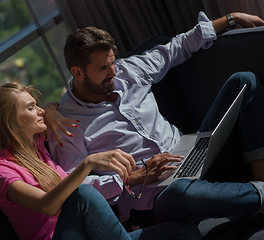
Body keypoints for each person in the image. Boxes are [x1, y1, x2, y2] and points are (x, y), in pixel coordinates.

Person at [44, 11, 264, 228]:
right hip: (152, 196)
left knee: (243, 81)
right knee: (178, 193)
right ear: (78, 73)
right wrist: (134, 177)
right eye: (103, 68)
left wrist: (230, 19)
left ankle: (260, 180)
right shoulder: (66, 123)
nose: (113, 71)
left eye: (113, 61)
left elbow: (176, 47)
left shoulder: (128, 71)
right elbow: (76, 183)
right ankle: (260, 194)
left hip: (189, 154)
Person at [0, 82, 206, 240]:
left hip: (89, 232)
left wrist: (51, 110)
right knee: (83, 194)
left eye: (36, 104)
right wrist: (88, 164)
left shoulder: (38, 144)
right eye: (31, 108)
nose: (39, 110)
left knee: (182, 231)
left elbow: (55, 106)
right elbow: (46, 205)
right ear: (9, 121)